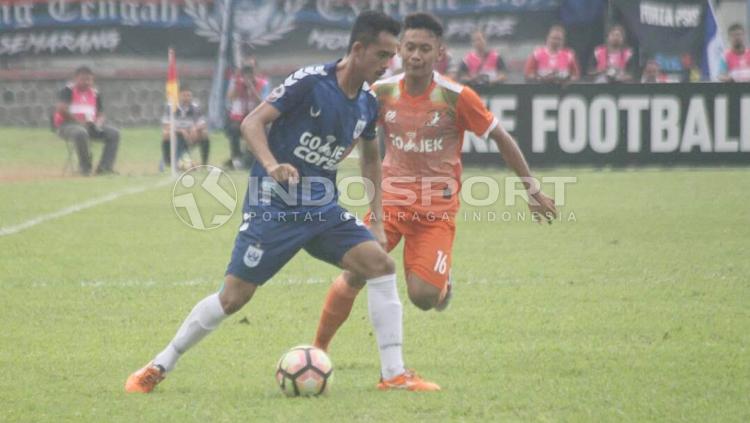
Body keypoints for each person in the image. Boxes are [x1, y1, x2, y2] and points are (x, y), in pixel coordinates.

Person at [125, 11, 439, 394]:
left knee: (380, 265)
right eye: (381, 55)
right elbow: (252, 123)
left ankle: (394, 374)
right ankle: (159, 365)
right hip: (272, 205)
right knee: (234, 297)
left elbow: (371, 159)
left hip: (322, 208)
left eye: (391, 56)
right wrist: (272, 165)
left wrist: (375, 218)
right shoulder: (311, 83)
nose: (387, 64)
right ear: (358, 49)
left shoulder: (367, 104)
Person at [313, 13, 557, 354]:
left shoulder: (456, 97)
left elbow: (501, 137)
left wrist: (532, 190)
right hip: (390, 205)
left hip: (436, 212)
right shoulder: (380, 93)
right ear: (399, 49)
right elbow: (352, 140)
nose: (416, 55)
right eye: (410, 47)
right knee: (356, 271)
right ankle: (317, 350)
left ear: (439, 52)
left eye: (425, 49)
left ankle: (442, 285)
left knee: (424, 298)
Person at [52, 66, 120, 175]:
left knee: (114, 133)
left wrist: (97, 124)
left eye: (89, 79)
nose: (87, 82)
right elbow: (61, 110)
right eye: (83, 79)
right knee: (81, 132)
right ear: (75, 78)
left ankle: (104, 168)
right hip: (67, 126)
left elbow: (101, 114)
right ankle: (85, 168)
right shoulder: (68, 90)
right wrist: (79, 122)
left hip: (90, 126)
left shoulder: (95, 93)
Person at [225, 58, 270, 169]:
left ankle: (259, 157)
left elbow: (263, 102)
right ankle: (236, 157)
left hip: (256, 118)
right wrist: (237, 83)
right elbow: (230, 98)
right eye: (246, 72)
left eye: (251, 72)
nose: (248, 75)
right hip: (239, 118)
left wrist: (251, 87)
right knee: (233, 129)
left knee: (265, 131)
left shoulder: (263, 83)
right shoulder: (237, 82)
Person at [161, 84, 210, 169]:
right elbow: (166, 125)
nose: (187, 98)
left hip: (191, 134)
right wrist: (181, 131)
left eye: (189, 95)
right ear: (179, 96)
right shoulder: (171, 106)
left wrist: (195, 128)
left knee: (204, 133)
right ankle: (168, 161)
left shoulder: (195, 107)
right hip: (176, 133)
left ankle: (204, 163)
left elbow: (203, 123)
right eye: (184, 95)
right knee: (165, 134)